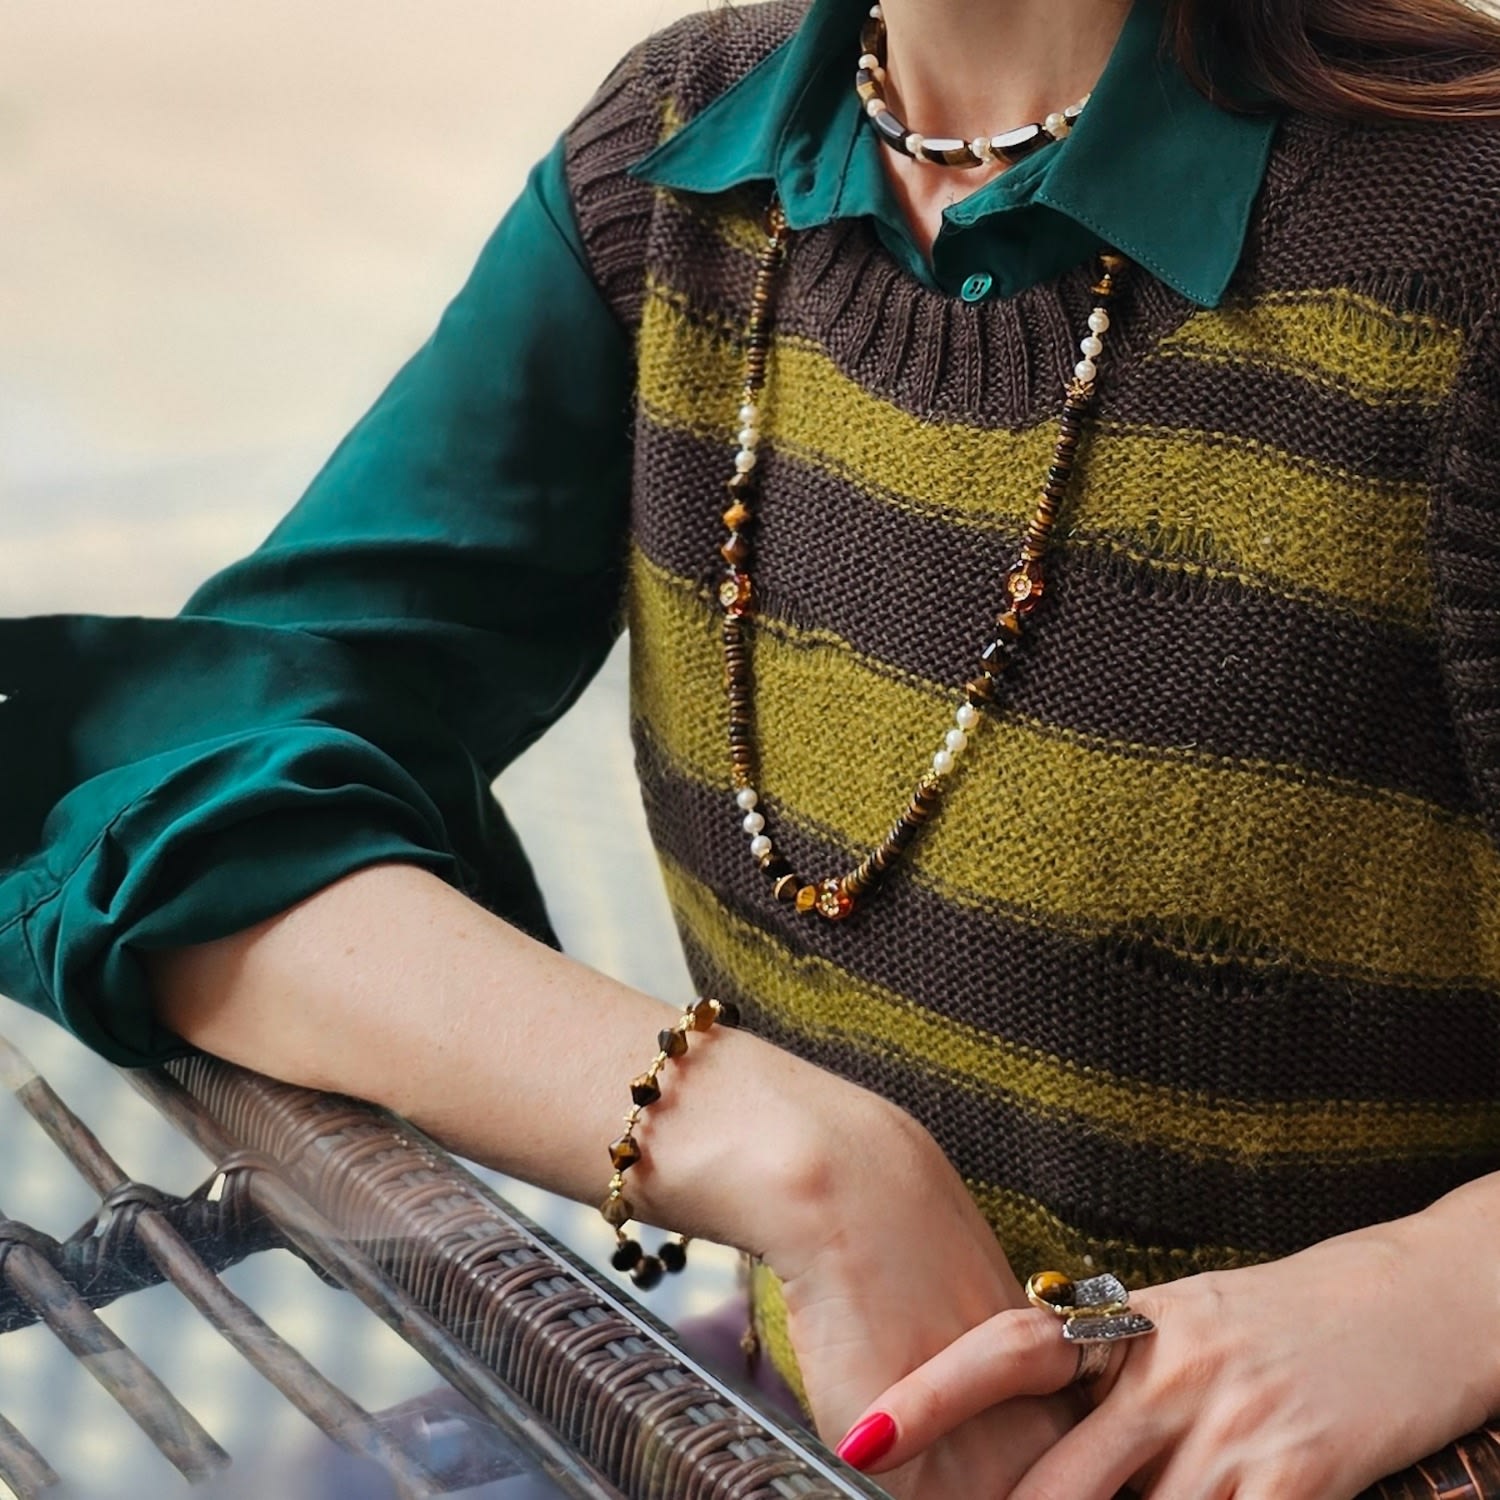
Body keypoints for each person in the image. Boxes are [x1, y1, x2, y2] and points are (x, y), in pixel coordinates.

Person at [4, 0, 1500, 1493]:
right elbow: (129, 793)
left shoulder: (1467, 232)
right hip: (767, 1439)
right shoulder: (681, 153)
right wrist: (791, 1155)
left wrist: (1439, 1291)